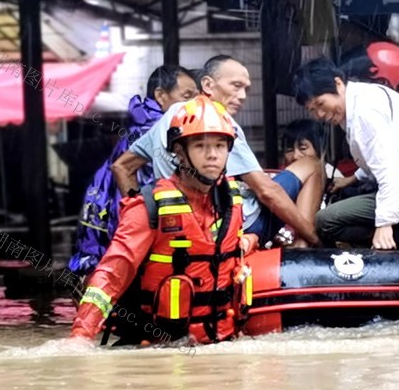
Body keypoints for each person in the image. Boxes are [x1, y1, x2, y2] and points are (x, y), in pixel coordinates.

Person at [70, 95, 258, 346]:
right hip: (161, 348)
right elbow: (112, 274)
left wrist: (250, 240)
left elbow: (227, 253)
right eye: (201, 146)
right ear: (180, 151)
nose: (212, 155)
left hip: (221, 343)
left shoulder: (231, 200)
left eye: (220, 146)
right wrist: (80, 337)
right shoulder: (149, 206)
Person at [112, 55, 322, 248]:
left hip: (178, 231)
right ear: (207, 84)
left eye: (246, 89)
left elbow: (122, 166)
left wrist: (148, 221)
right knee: (312, 165)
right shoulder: (221, 122)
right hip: (233, 228)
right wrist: (315, 238)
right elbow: (267, 191)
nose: (242, 96)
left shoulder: (172, 115)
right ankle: (302, 246)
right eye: (236, 86)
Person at [294, 57, 399, 250]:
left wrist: (384, 223)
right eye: (312, 110)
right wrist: (352, 178)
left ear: (338, 84)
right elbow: (378, 154)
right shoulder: (363, 97)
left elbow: (388, 168)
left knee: (325, 221)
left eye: (320, 104)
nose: (319, 115)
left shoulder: (364, 112)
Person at [67, 65, 198, 276]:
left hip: (97, 244)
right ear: (161, 96)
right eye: (187, 96)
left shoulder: (140, 125)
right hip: (124, 239)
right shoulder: (161, 131)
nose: (194, 104)